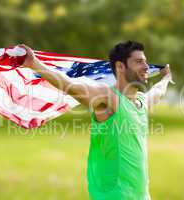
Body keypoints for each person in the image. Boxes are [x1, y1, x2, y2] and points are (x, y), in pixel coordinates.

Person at [20, 41, 173, 200]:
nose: (146, 66)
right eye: (139, 61)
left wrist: (166, 78)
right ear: (120, 66)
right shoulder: (108, 97)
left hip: (141, 196)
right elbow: (71, 85)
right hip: (113, 195)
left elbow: (158, 92)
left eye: (146, 61)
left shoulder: (141, 103)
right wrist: (35, 64)